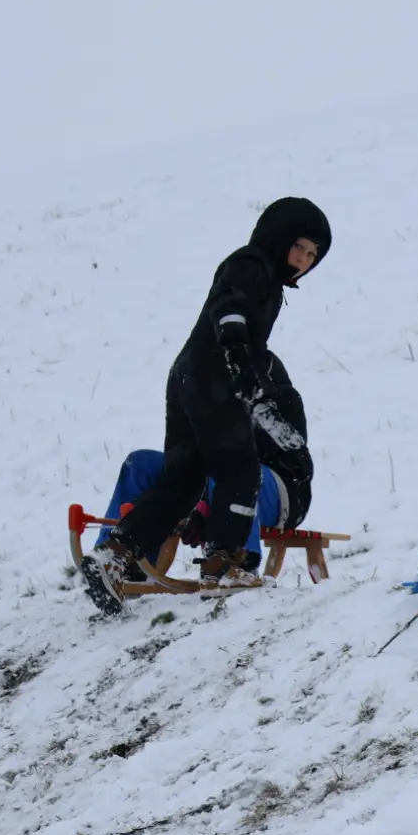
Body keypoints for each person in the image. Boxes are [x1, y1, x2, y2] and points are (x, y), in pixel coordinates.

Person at [79, 197, 331, 609]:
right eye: (299, 247)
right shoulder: (253, 265)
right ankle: (225, 565)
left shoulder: (262, 275)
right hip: (216, 374)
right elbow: (228, 306)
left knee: (183, 480)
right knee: (239, 468)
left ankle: (116, 554)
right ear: (279, 237)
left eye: (312, 255)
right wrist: (237, 358)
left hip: (189, 374)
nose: (303, 259)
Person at [86, 354, 314, 600]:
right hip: (209, 480)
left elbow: (288, 464)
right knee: (140, 463)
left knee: (232, 464)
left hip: (280, 493)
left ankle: (236, 563)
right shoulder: (208, 394)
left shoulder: (280, 399)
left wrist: (205, 505)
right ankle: (114, 561)